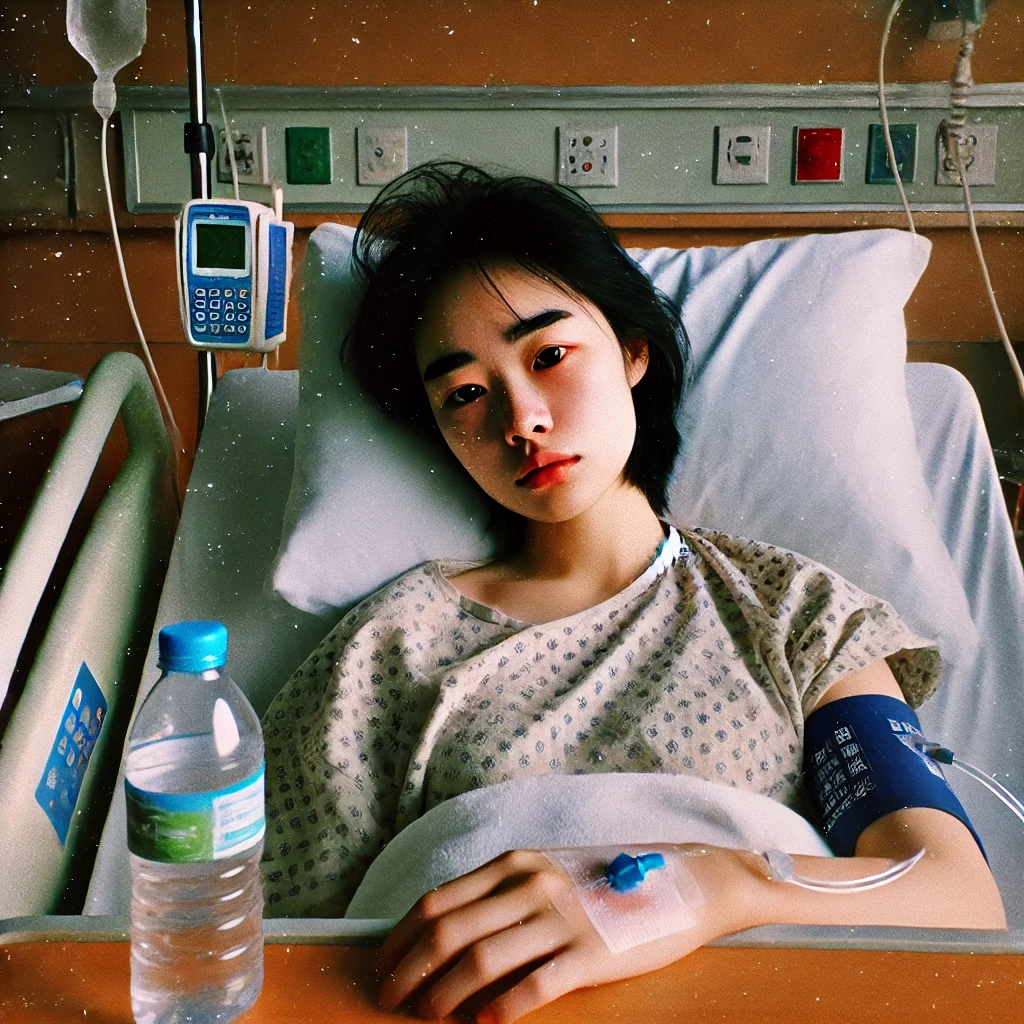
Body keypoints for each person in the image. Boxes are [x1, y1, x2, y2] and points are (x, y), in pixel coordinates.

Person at [260, 161, 1005, 1023]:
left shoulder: (795, 614)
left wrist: (704, 886)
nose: (522, 418)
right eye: (465, 392)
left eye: (549, 355)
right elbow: (282, 952)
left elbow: (954, 895)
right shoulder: (388, 646)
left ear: (633, 349)